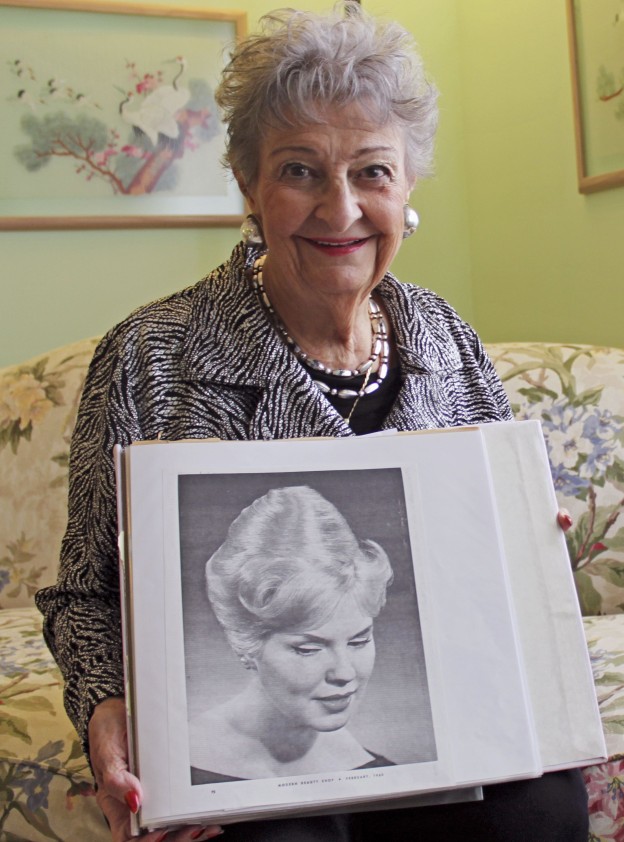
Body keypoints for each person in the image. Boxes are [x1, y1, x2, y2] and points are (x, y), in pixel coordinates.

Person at [35, 3, 587, 841]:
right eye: (300, 171)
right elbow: (84, 595)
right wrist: (107, 712)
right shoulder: (149, 354)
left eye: (372, 172)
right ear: (251, 186)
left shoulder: (446, 338)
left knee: (543, 808)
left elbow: (491, 575)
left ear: (407, 190)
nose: (340, 209)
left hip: (445, 734)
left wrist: (526, 545)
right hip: (248, 762)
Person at [189, 485, 395, 783]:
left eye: (359, 641)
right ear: (245, 642)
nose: (344, 673)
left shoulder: (384, 774)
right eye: (309, 649)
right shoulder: (171, 765)